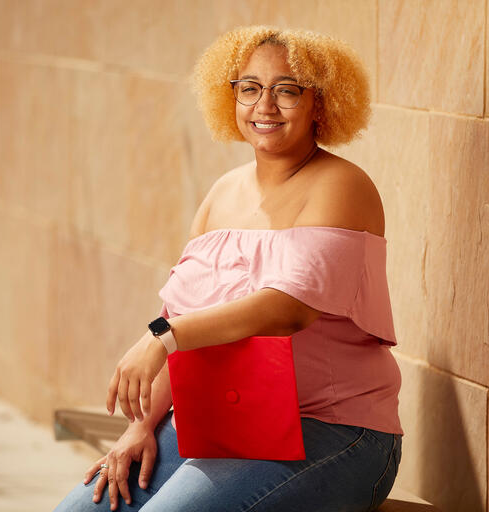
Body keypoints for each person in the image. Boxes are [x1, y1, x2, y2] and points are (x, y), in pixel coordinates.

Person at [54, 25, 403, 512]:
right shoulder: (223, 193)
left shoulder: (341, 185)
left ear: (320, 103)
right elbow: (185, 309)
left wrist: (162, 336)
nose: (265, 106)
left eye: (286, 90)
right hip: (223, 423)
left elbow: (287, 309)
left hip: (330, 429)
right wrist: (142, 425)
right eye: (250, 88)